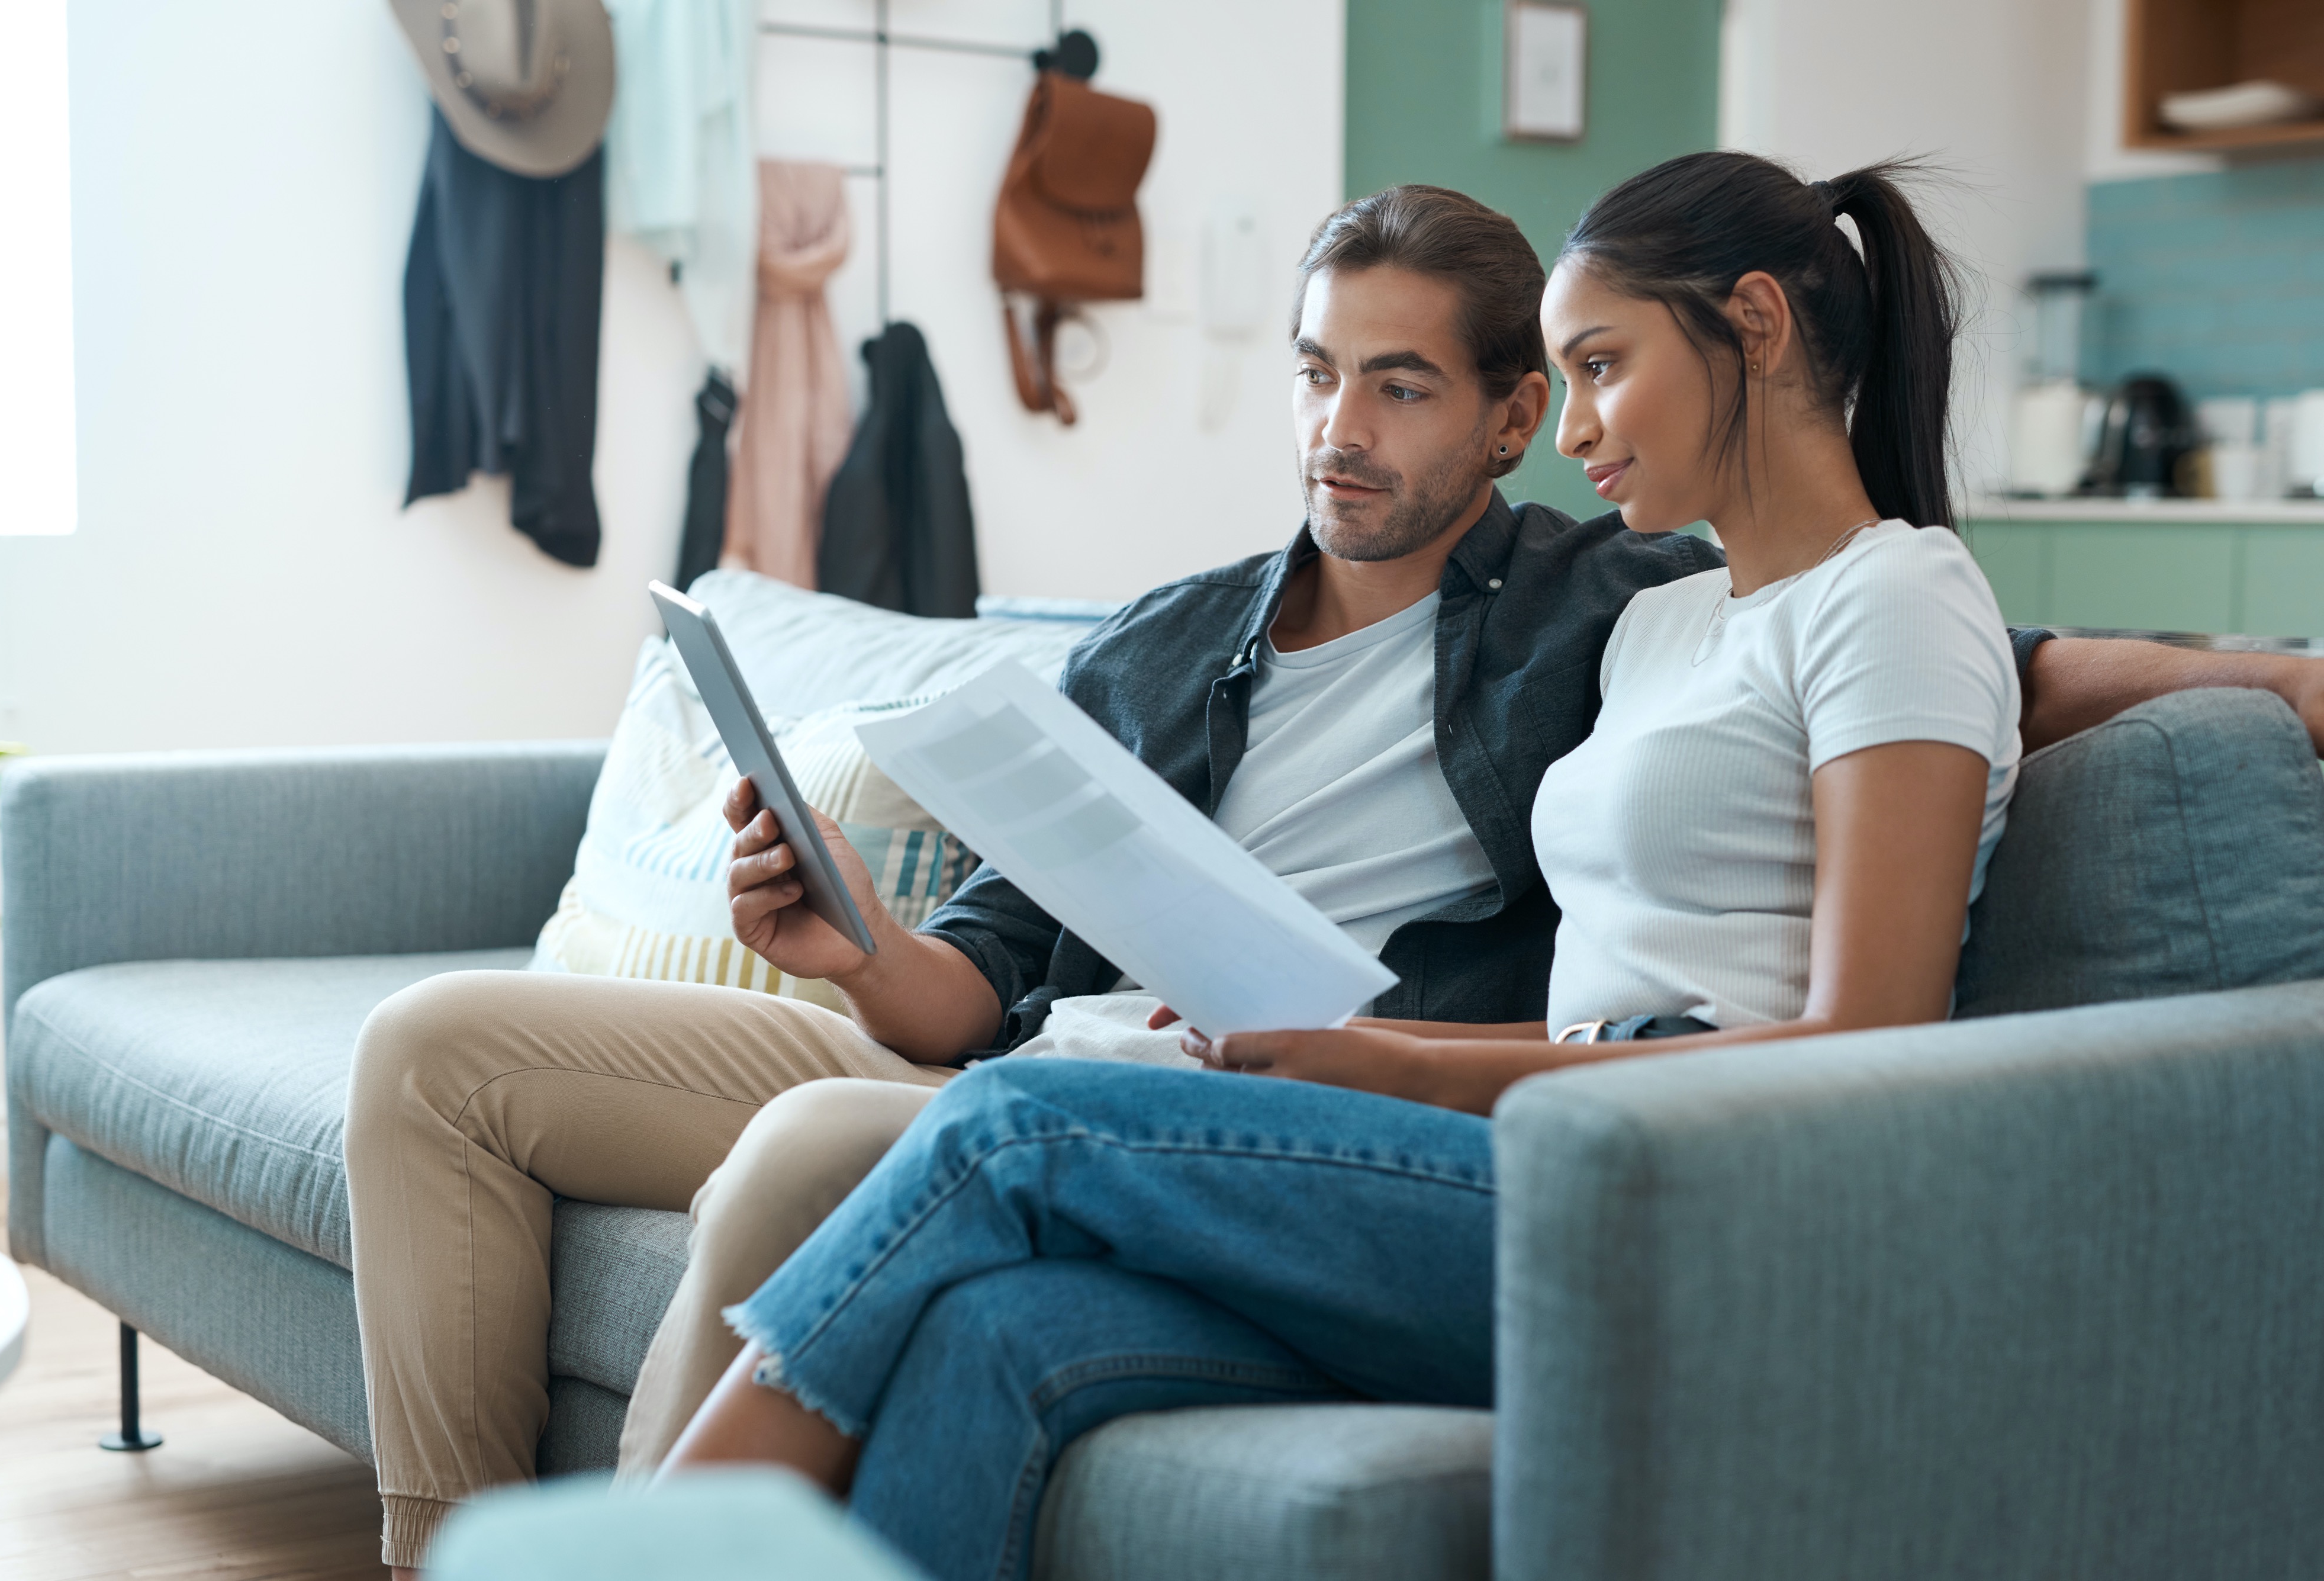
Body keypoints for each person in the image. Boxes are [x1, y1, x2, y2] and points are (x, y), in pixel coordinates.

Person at [346, 179, 2324, 1573]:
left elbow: (1928, 849)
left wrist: (2280, 676)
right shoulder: (1662, 627)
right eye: (1320, 375)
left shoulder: (1805, 599)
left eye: (1588, 375)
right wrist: (857, 945)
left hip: (1666, 1184)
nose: (1346, 429)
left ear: (1750, 335)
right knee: (988, 1334)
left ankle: (643, 1562)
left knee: (1016, 1130)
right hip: (1510, 1133)